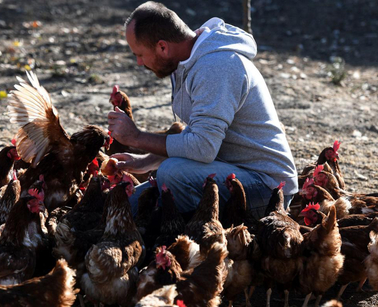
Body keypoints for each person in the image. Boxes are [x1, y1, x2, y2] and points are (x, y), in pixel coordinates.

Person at [107, 1, 297, 219]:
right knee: (124, 207)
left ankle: (191, 235)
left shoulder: (217, 67)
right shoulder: (190, 62)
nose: (139, 63)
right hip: (228, 169)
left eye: (139, 54)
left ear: (162, 47)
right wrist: (145, 162)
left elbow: (203, 147)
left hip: (266, 186)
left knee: (171, 175)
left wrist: (137, 137)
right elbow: (197, 136)